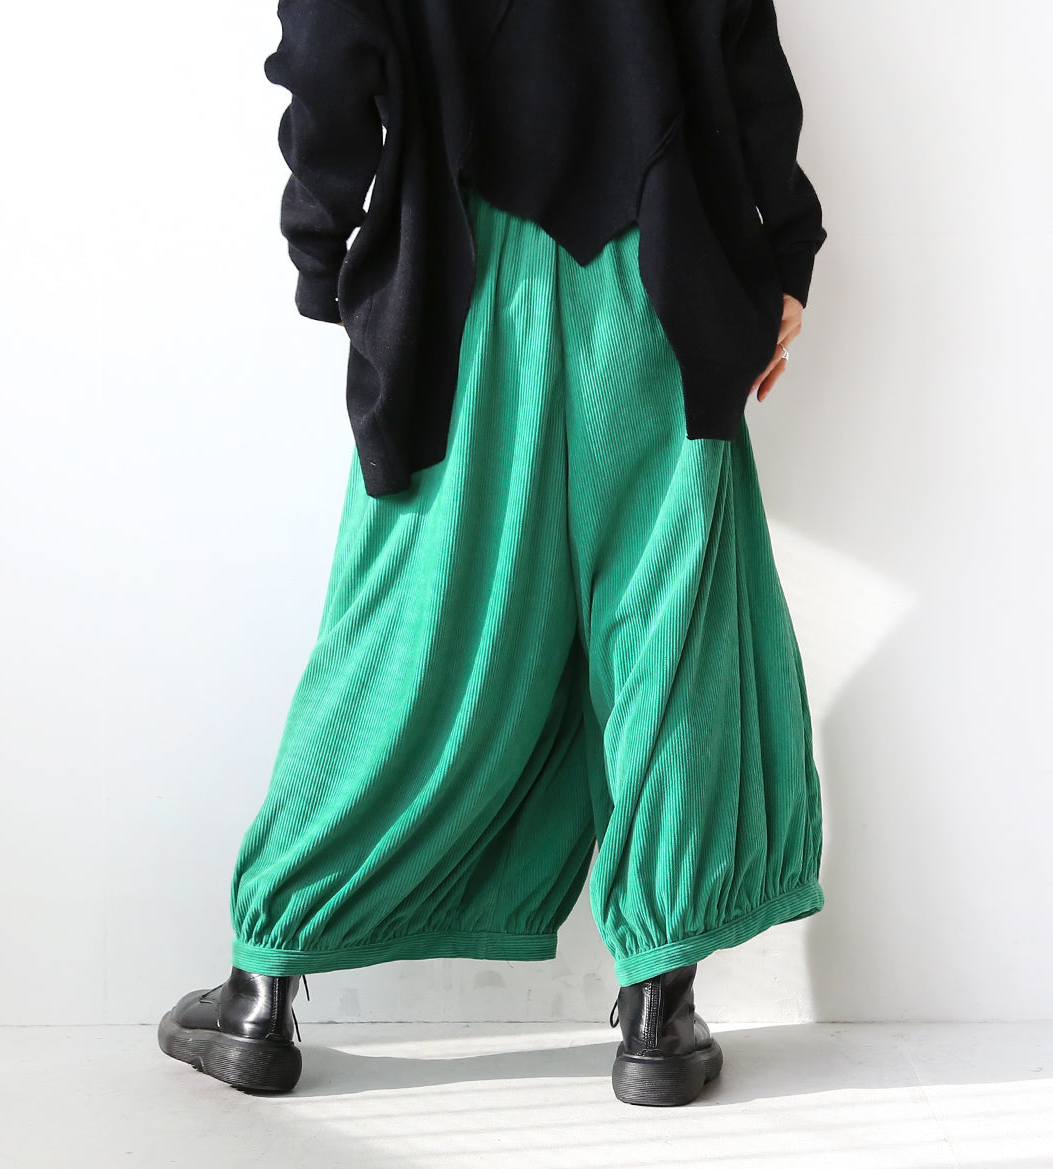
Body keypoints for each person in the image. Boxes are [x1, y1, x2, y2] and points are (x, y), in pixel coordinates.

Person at [158, 0, 827, 1107]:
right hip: (661, 273)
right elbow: (742, 46)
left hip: (463, 281)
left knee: (411, 636)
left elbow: (327, 48)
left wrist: (325, 251)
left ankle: (261, 994)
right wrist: (783, 252)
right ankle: (659, 1014)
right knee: (669, 627)